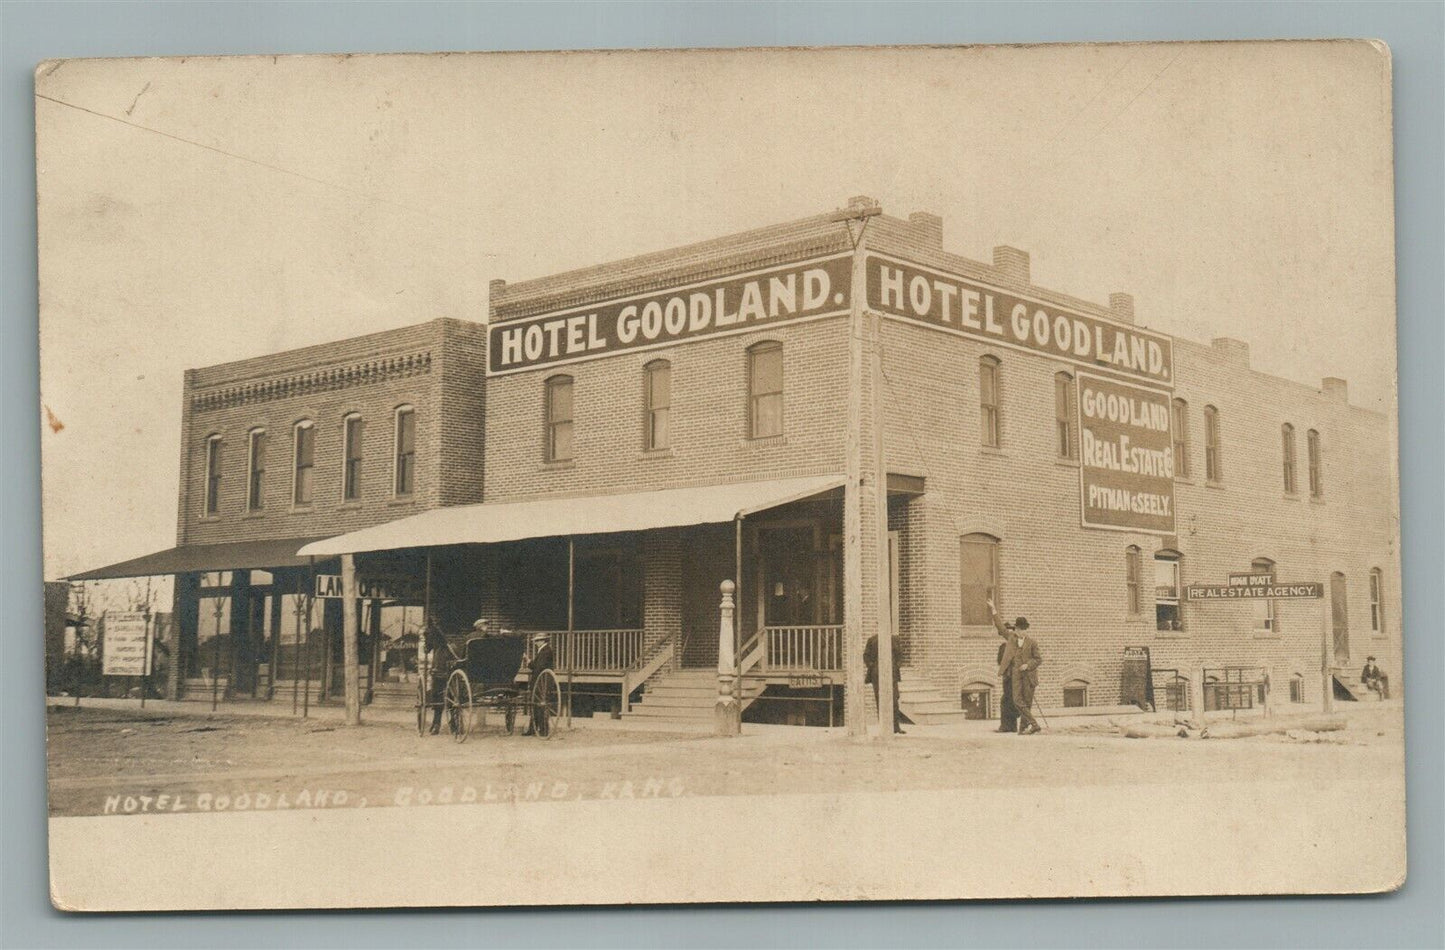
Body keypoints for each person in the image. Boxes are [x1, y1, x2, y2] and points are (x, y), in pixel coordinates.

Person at [990, 598, 1043, 734]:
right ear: (1016, 629)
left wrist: (1028, 665)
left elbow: (1038, 659)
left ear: (1026, 630)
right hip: (1015, 675)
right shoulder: (1012, 638)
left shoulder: (1032, 643)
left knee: (1027, 702)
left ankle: (1025, 727)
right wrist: (994, 611)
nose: (1021, 632)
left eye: (1023, 630)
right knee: (1017, 701)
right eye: (1019, 630)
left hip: (1028, 675)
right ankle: (1033, 724)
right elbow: (1001, 628)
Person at [863, 633, 905, 734]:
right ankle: (883, 727)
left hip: (891, 673)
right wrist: (873, 666)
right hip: (877, 674)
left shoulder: (895, 639)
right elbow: (866, 655)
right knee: (880, 699)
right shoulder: (872, 640)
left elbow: (900, 655)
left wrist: (896, 666)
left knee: (894, 698)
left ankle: (896, 727)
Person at [421, 620, 455, 735]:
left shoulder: (437, 644)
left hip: (439, 670)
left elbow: (426, 649)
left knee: (437, 695)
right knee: (453, 695)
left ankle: (436, 724)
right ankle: (454, 723)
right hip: (452, 669)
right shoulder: (451, 644)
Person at [522, 633, 555, 736]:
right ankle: (534, 729)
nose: (535, 643)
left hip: (542, 682)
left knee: (539, 705)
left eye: (537, 641)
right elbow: (536, 666)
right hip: (539, 681)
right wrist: (529, 661)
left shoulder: (546, 651)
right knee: (535, 705)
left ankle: (543, 730)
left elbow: (539, 667)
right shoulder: (542, 651)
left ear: (542, 641)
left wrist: (529, 662)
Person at [995, 633, 1019, 733]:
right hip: (1011, 676)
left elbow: (1000, 661)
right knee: (1009, 700)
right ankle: (1011, 726)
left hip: (1011, 677)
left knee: (1007, 700)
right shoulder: (1014, 647)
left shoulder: (1007, 647)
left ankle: (1007, 726)